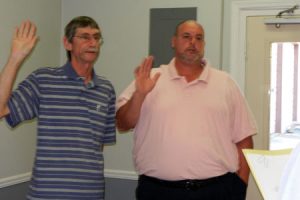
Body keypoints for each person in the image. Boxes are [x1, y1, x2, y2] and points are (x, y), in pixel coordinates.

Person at [116, 20, 257, 200]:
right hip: (158, 191)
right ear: (173, 41)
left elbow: (244, 139)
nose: (193, 42)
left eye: (199, 38)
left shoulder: (225, 83)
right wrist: (139, 94)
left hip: (217, 191)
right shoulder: (151, 78)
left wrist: (240, 185)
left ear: (204, 45)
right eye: (186, 37)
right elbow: (122, 123)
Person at [0, 16, 116, 200]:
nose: (93, 42)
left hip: (92, 194)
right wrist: (15, 58)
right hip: (47, 194)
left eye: (97, 37)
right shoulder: (43, 79)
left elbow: (97, 146)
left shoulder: (106, 89)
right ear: (67, 43)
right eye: (85, 37)